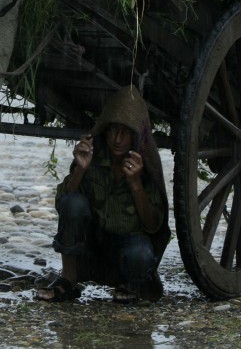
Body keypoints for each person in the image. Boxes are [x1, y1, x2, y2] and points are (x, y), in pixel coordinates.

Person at [36, 85, 171, 303]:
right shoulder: (94, 158)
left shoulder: (146, 168)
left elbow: (154, 225)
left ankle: (131, 284)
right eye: (113, 130)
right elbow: (65, 203)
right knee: (73, 203)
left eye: (125, 132)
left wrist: (135, 184)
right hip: (90, 248)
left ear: (136, 136)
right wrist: (80, 170)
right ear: (104, 130)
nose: (117, 139)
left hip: (126, 251)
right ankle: (68, 280)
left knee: (141, 255)